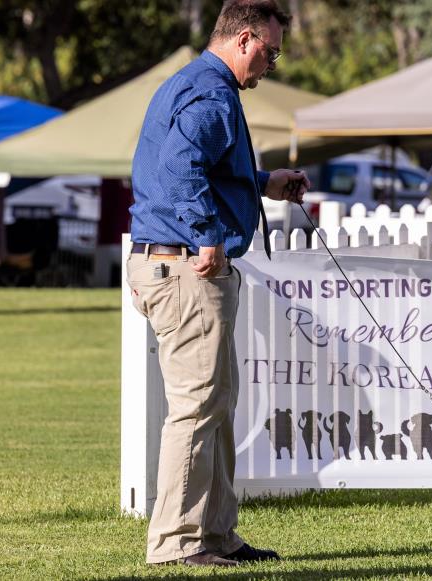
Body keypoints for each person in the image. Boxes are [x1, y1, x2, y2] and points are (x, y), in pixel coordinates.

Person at [126, 0, 309, 567]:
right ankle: (177, 543)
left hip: (172, 262)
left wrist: (264, 182)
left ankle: (216, 534)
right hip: (187, 267)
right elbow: (180, 170)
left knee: (215, 403)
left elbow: (205, 167)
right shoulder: (212, 94)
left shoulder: (198, 84)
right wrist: (206, 234)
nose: (271, 65)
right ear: (245, 38)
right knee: (196, 407)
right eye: (270, 53)